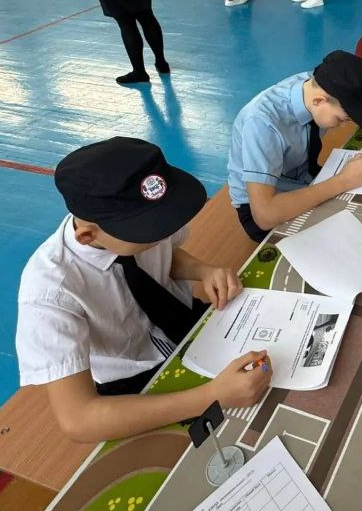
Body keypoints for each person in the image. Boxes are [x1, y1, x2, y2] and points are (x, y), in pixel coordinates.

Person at [16, 137, 272, 443]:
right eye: (150, 232)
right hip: (135, 380)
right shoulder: (49, 293)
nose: (163, 232)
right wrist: (211, 395)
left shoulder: (140, 221)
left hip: (190, 326)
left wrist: (202, 271)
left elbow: (164, 257)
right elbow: (78, 419)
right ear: (87, 236)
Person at [226, 50, 362, 242]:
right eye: (344, 119)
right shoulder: (262, 124)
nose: (345, 124)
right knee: (350, 239)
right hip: (263, 206)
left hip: (306, 178)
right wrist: (343, 181)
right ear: (319, 101)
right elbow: (265, 216)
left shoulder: (316, 85)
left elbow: (354, 101)